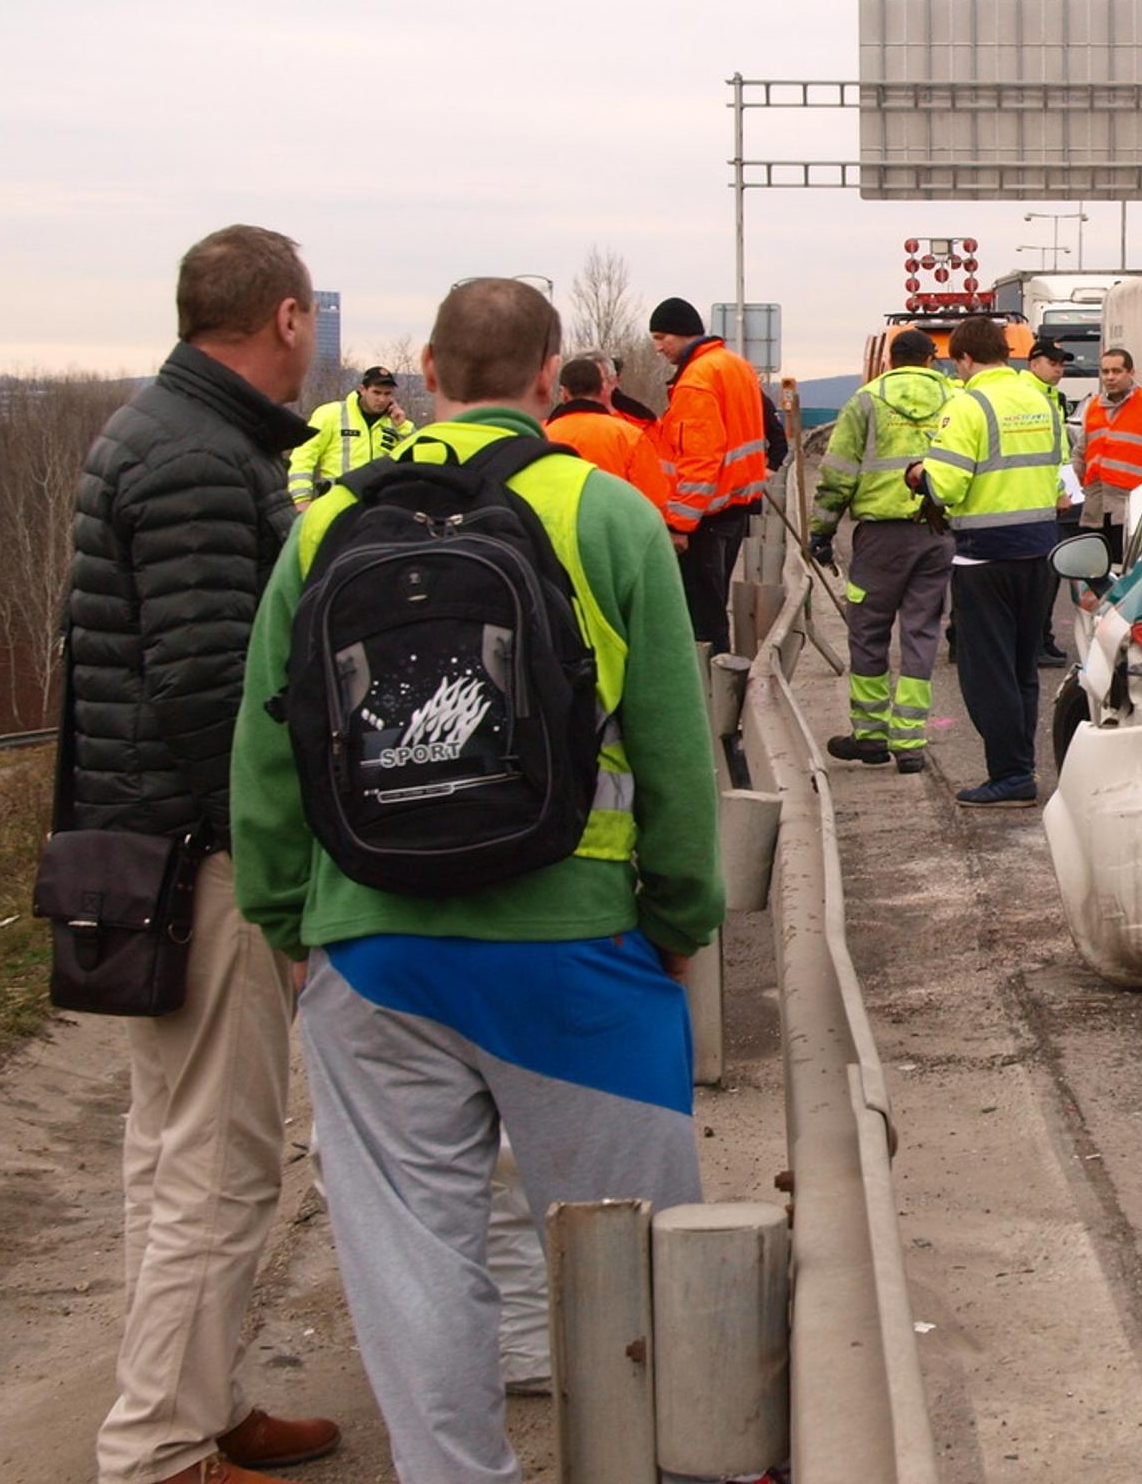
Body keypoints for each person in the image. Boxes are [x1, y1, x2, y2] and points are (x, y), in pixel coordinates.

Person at [231, 277, 723, 1484]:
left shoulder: (324, 524)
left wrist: (294, 924)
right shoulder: (603, 513)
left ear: (431, 374)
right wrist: (681, 918)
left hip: (375, 956)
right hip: (576, 956)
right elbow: (670, 744)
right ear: (551, 377)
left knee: (412, 1256)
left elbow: (265, 749)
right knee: (633, 1264)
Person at [65, 225, 341, 1484]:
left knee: (175, 1147)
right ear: (285, 318)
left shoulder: (185, 435)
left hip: (158, 841)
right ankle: (160, 1449)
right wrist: (275, 883)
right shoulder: (192, 457)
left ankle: (199, 1401)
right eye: (311, 322)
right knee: (216, 1167)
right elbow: (211, 690)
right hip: (201, 855)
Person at [914, 315, 1066, 806]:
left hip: (985, 559)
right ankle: (1020, 767)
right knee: (1023, 668)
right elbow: (1060, 477)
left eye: (955, 363)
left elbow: (948, 483)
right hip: (1040, 551)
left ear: (963, 358)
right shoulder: (1040, 400)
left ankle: (1011, 776)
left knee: (987, 674)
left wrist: (920, 475)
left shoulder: (968, 404)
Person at [809, 329, 954, 772]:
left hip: (880, 538)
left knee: (868, 631)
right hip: (937, 531)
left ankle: (870, 735)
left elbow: (838, 471)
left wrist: (822, 529)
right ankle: (910, 743)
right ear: (931, 359)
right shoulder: (954, 398)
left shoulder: (866, 401)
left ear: (890, 360)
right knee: (921, 632)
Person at [648, 296, 768, 656]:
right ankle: (726, 687)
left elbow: (700, 458)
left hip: (706, 515)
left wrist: (680, 524)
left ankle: (716, 695)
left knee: (704, 616)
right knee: (715, 606)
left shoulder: (696, 381)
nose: (657, 348)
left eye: (660, 337)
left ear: (683, 333)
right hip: (736, 505)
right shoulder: (735, 366)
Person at [1075, 346, 1142, 569]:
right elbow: (1081, 452)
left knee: (1126, 572)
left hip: (1131, 508)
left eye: (1117, 371)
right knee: (1095, 573)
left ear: (1131, 373)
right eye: (1105, 372)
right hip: (1096, 509)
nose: (1110, 377)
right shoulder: (1093, 406)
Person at [546, 352, 674, 521]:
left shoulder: (540, 434)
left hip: (556, 535)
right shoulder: (630, 435)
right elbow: (655, 501)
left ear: (563, 393)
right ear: (602, 388)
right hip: (618, 534)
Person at [1025, 339, 1085, 666]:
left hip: (1057, 493)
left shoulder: (1054, 397)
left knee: (1050, 575)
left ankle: (1041, 638)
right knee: (1042, 576)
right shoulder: (1029, 396)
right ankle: (1033, 641)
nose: (1059, 369)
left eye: (1062, 363)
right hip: (1038, 496)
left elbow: (1059, 451)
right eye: (1052, 362)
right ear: (1033, 363)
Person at [286, 363, 408, 509]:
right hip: (335, 504)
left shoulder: (395, 423)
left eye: (387, 394)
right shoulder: (331, 414)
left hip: (377, 507)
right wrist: (301, 498)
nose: (382, 399)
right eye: (376, 393)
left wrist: (403, 426)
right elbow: (303, 457)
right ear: (362, 390)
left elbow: (417, 458)